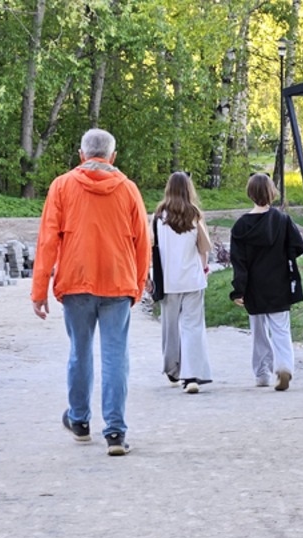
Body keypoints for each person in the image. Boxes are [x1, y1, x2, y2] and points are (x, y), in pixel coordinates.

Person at [32, 127, 149, 457]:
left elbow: (47, 240)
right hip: (117, 282)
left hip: (76, 280)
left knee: (79, 352)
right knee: (115, 356)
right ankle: (115, 432)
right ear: (113, 157)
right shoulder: (128, 189)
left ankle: (80, 421)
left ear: (82, 155)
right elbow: (143, 242)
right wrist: (137, 287)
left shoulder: (62, 186)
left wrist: (39, 290)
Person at [229, 173, 303, 390]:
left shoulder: (241, 226)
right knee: (281, 329)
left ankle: (262, 373)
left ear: (250, 194)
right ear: (271, 192)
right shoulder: (282, 220)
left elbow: (239, 262)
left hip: (254, 286)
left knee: (258, 331)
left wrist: (239, 290)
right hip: (280, 282)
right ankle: (284, 367)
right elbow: (299, 246)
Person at [154, 171, 213, 393]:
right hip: (192, 279)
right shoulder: (194, 214)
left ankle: (172, 368)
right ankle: (192, 376)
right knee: (193, 327)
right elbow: (204, 248)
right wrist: (204, 267)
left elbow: (154, 249)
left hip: (168, 280)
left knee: (170, 327)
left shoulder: (159, 216)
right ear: (189, 189)